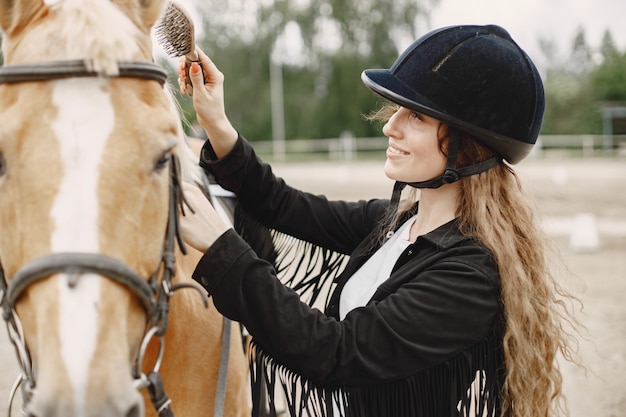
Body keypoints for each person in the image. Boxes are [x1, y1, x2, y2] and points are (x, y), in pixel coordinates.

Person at [178, 24, 581, 417]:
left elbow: (336, 354)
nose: (390, 125)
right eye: (398, 110)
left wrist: (222, 248)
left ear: (469, 146)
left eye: (417, 117)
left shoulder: (471, 277)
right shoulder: (396, 223)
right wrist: (216, 122)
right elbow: (281, 205)